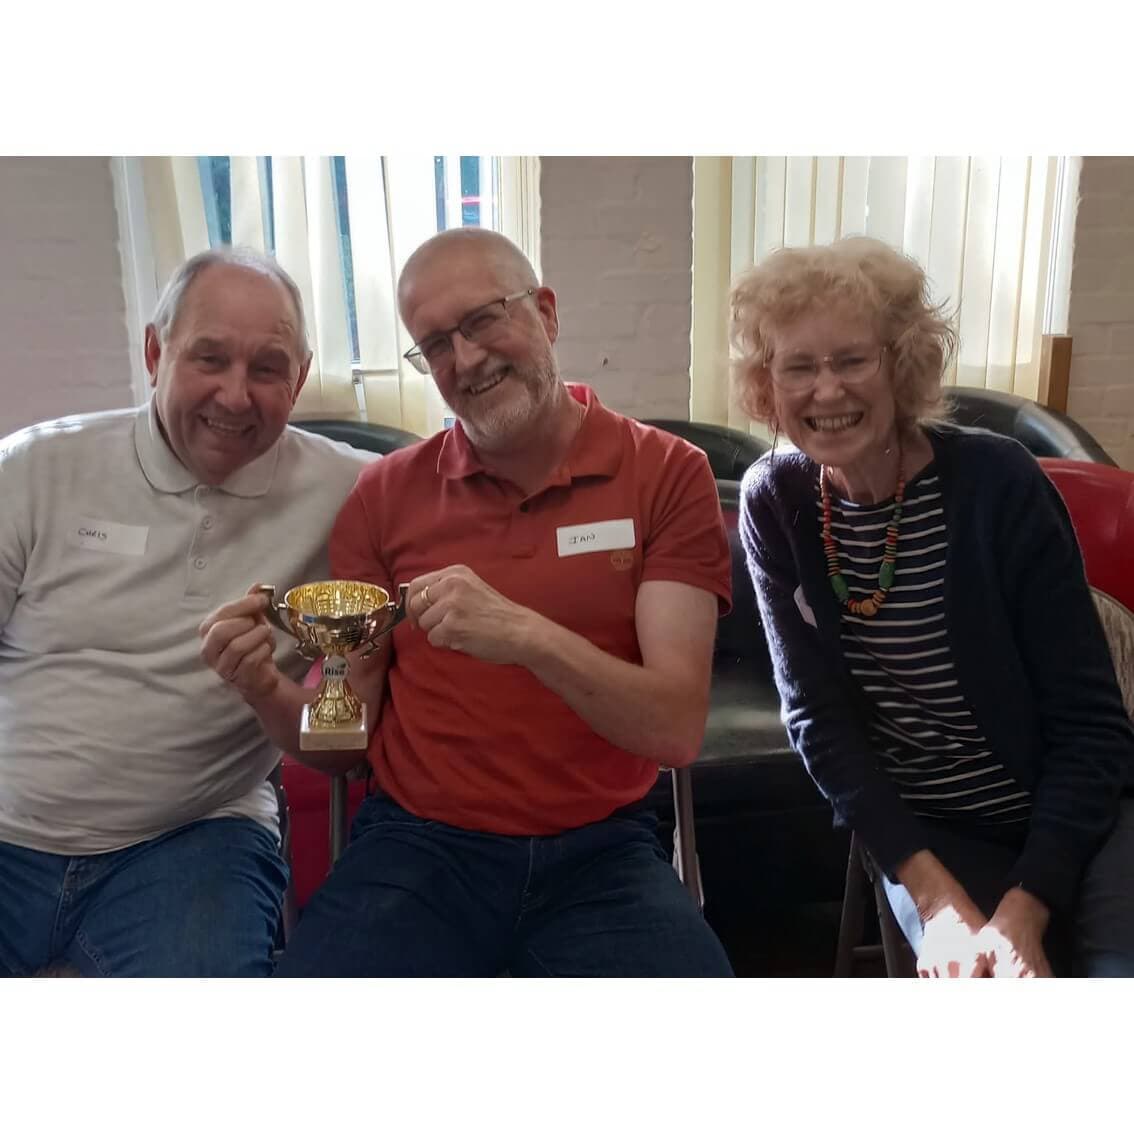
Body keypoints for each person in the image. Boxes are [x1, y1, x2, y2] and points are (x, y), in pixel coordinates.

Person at [201, 228, 734, 976]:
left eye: (484, 320)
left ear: (546, 313)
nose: (469, 358)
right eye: (437, 344)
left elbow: (674, 728)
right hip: (420, 845)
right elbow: (347, 741)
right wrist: (262, 687)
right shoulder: (386, 495)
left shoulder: (667, 473)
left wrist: (524, 635)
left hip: (602, 849)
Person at [732, 236, 1134, 978]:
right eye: (799, 366)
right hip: (932, 835)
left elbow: (1091, 726)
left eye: (852, 360)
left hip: (1081, 814)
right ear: (767, 383)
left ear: (901, 363)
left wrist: (1028, 905)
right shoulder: (776, 500)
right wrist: (939, 901)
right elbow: (817, 719)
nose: (827, 392)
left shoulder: (998, 483)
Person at [0, 247, 370, 977]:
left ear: (299, 377)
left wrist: (266, 687)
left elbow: (346, 740)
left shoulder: (358, 496)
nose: (235, 397)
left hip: (194, 840)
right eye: (210, 359)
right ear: (153, 352)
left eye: (267, 369)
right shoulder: (35, 468)